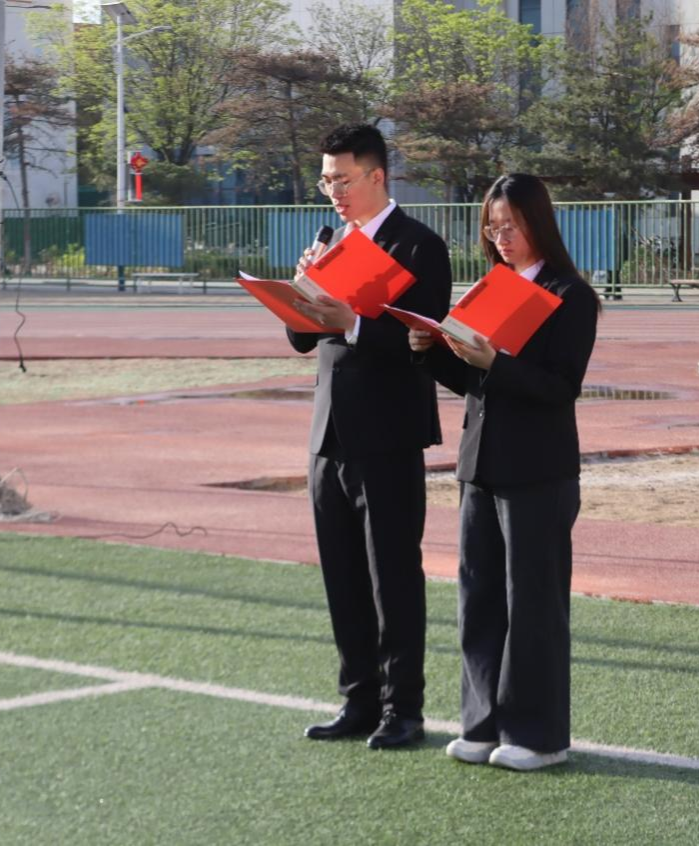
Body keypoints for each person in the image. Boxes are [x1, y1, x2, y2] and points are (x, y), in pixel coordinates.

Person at [409, 173, 598, 771]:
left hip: (538, 470)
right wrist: (432, 351)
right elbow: (475, 383)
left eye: (510, 225)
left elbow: (560, 387)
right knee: (479, 596)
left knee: (533, 604)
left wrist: (497, 361)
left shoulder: (571, 295)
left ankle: (539, 737)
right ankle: (482, 723)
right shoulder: (491, 287)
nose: (501, 236)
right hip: (481, 463)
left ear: (538, 222)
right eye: (492, 227)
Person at [287, 124, 452, 750]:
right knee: (342, 575)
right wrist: (303, 290)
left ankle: (402, 708)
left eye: (342, 179)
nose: (333, 191)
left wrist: (353, 321)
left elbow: (424, 340)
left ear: (377, 176)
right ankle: (357, 700)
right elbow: (302, 339)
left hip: (389, 434)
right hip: (328, 435)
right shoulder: (331, 243)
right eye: (325, 180)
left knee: (393, 576)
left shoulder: (419, 246)